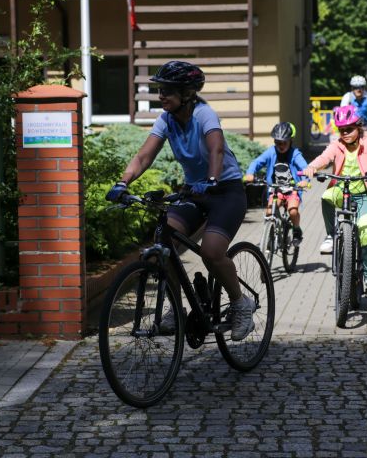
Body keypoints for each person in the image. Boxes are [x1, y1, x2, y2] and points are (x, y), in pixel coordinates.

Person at [104, 60, 254, 341]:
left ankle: (240, 303)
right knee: (164, 241)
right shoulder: (166, 120)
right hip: (193, 192)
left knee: (211, 252)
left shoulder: (204, 114)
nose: (161, 95)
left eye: (167, 90)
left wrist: (211, 179)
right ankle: (176, 309)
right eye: (159, 89)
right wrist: (123, 182)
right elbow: (143, 157)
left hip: (225, 191)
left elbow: (216, 149)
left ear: (187, 93)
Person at [303, 105, 367, 302]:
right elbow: (324, 158)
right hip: (341, 191)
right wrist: (312, 167)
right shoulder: (337, 145)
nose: (345, 133)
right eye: (341, 130)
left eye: (349, 129)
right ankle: (330, 235)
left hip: (362, 196)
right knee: (326, 197)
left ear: (358, 127)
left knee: (366, 233)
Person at [243, 122, 310, 245]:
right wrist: (250, 173)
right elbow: (256, 162)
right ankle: (269, 235)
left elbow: (305, 168)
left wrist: (305, 180)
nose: (281, 145)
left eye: (284, 142)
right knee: (269, 212)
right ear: (274, 141)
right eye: (278, 143)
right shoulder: (271, 152)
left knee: (292, 210)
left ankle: (296, 230)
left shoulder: (295, 154)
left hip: (292, 190)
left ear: (290, 141)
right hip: (276, 189)